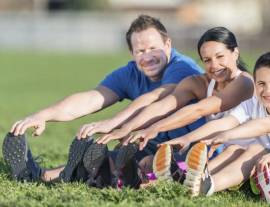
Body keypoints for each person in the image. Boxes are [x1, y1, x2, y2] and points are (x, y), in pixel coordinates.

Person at [3, 14, 204, 184]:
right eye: (140, 51)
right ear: (132, 53)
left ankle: (124, 174)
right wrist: (42, 115)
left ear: (168, 44)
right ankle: (39, 175)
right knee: (107, 161)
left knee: (136, 165)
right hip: (152, 142)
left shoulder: (182, 68)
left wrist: (114, 124)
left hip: (192, 147)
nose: (148, 56)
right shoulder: (131, 73)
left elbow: (157, 98)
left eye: (153, 48)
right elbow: (92, 98)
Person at [88, 26, 255, 182]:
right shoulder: (201, 82)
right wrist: (127, 127)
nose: (214, 65)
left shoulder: (244, 83)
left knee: (154, 163)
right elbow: (164, 105)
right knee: (140, 157)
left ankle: (144, 175)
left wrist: (154, 128)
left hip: (240, 157)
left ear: (235, 53)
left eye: (220, 57)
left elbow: (198, 109)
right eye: (207, 60)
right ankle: (93, 170)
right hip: (211, 149)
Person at [162, 51, 270, 197]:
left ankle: (208, 186)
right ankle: (192, 179)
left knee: (256, 149)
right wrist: (187, 138)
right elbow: (225, 123)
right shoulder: (254, 102)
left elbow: (265, 125)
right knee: (234, 148)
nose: (267, 90)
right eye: (261, 84)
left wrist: (227, 135)